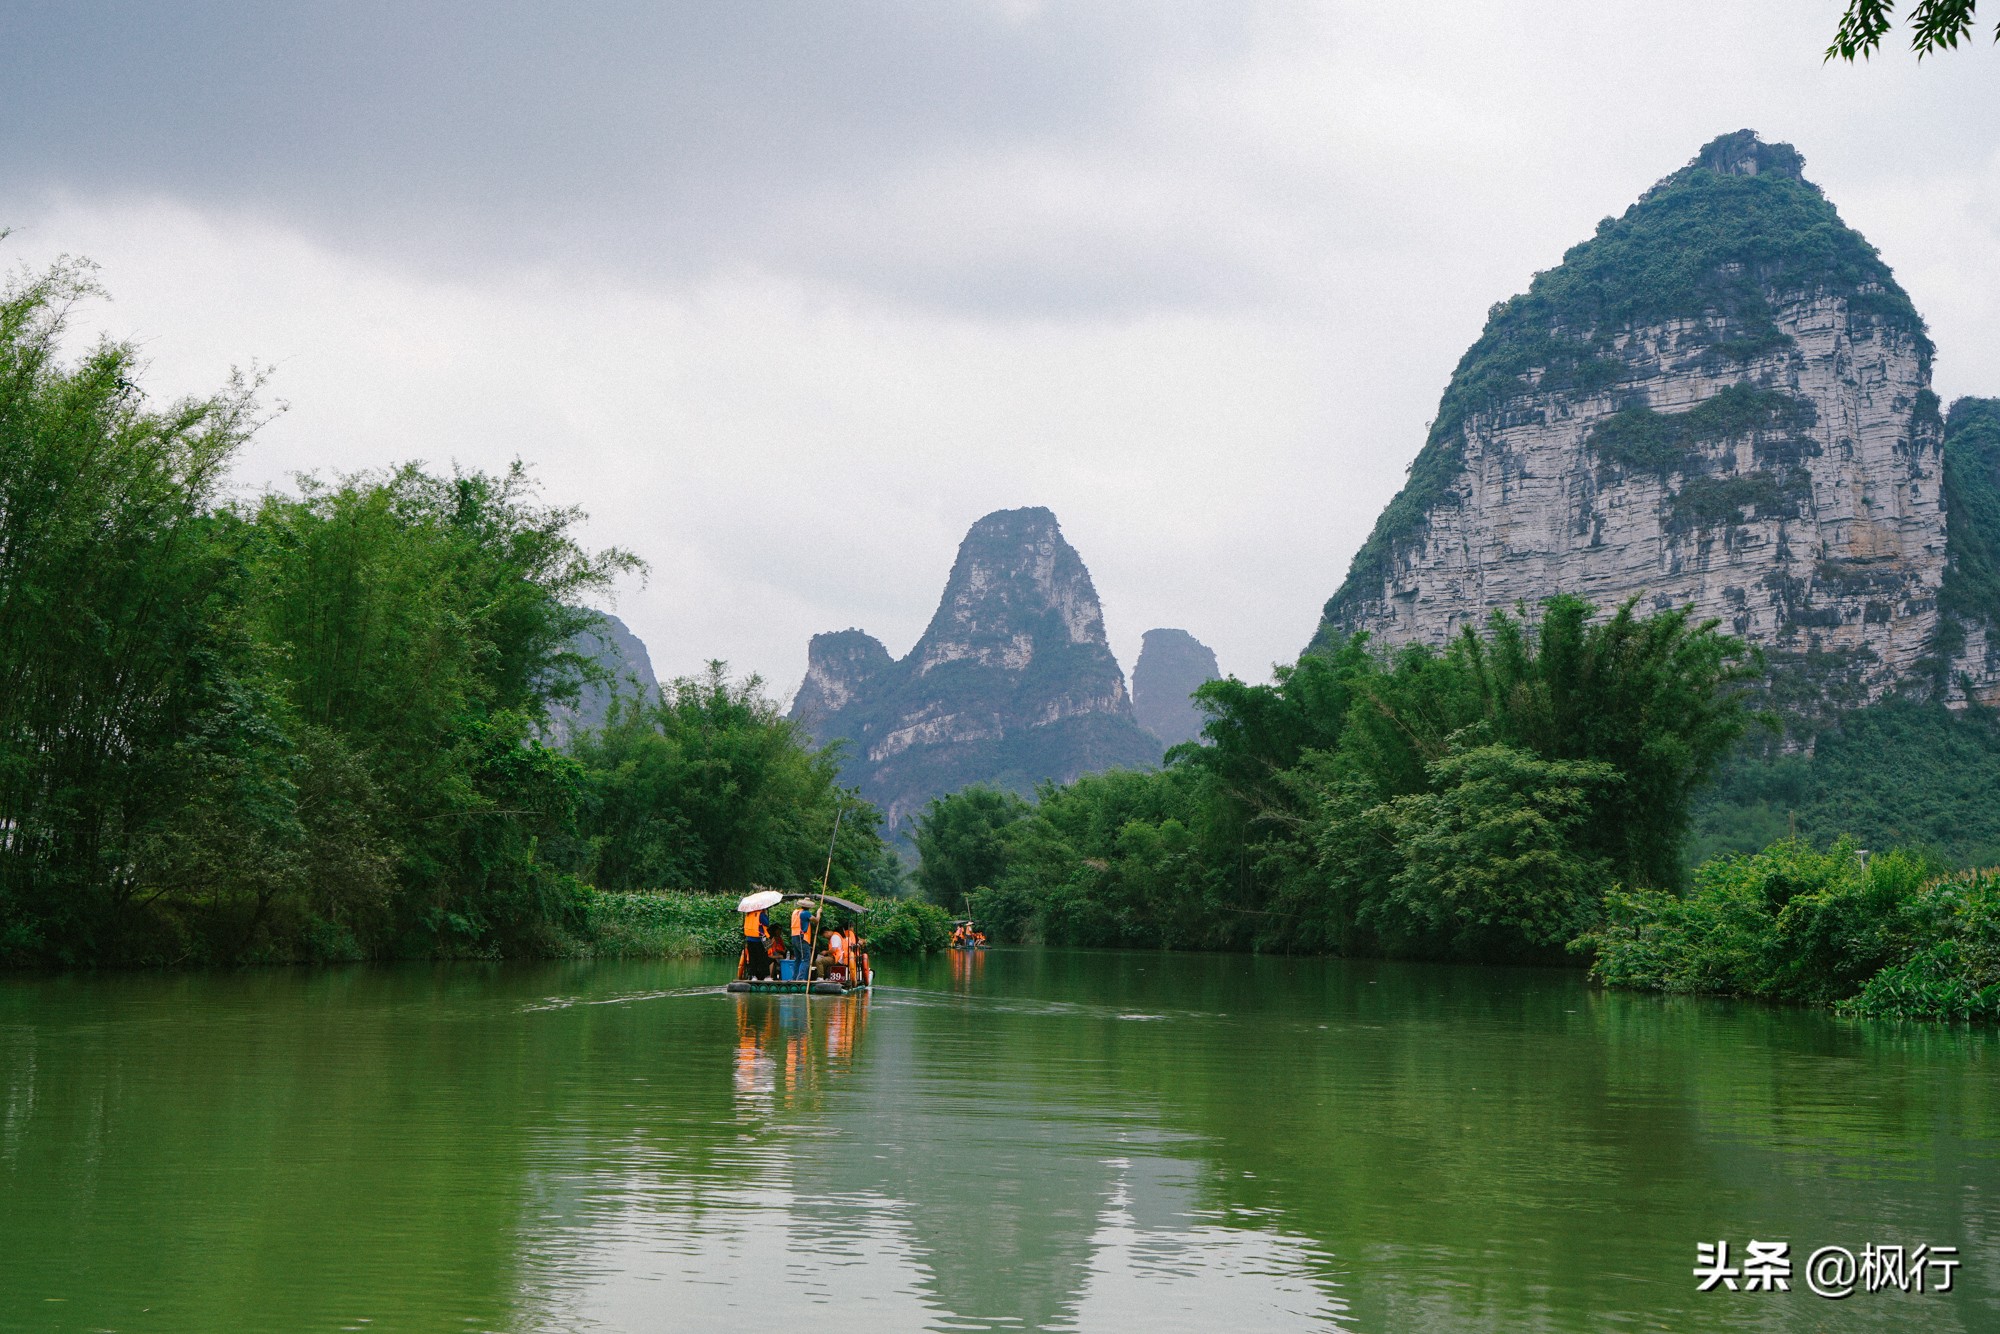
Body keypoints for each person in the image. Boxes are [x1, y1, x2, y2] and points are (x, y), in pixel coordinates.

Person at [741, 904, 773, 980]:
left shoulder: (748, 914)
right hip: (761, 938)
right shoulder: (761, 914)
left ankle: (753, 976)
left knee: (752, 958)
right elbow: (767, 923)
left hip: (749, 939)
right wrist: (765, 914)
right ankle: (766, 976)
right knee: (764, 957)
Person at [789, 899, 816, 974]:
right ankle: (800, 978)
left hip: (794, 936)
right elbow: (816, 920)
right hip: (802, 937)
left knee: (797, 959)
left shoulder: (795, 912)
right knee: (806, 959)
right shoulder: (806, 913)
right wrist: (819, 913)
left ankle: (794, 978)